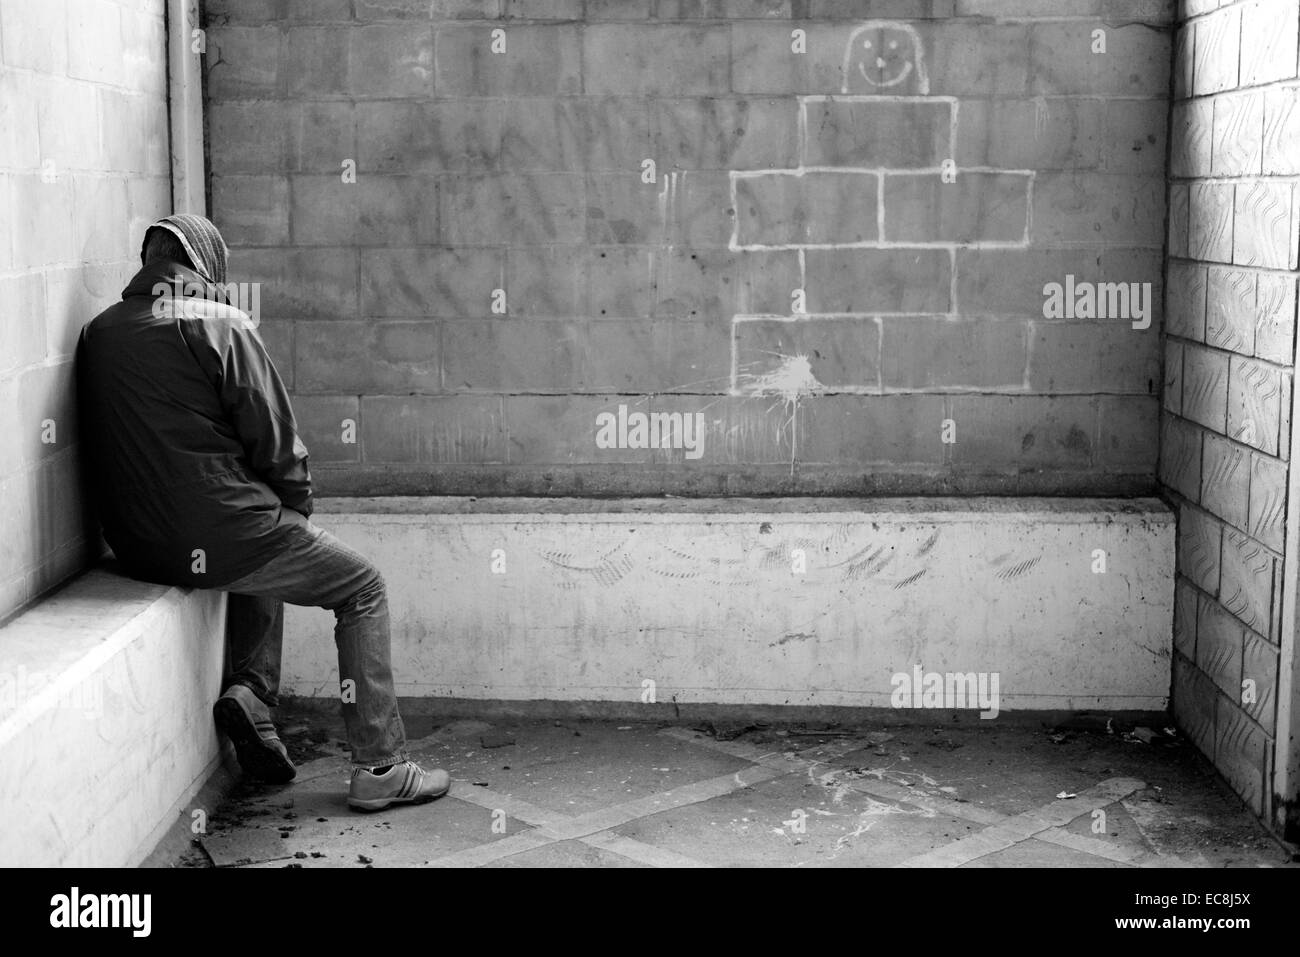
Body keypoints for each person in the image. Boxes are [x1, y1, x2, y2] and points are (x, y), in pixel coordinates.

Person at [76, 214, 448, 812]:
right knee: (360, 586)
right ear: (208, 266)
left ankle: (253, 695)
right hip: (224, 531)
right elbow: (275, 441)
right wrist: (296, 507)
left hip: (139, 547)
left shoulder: (100, 332)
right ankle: (380, 764)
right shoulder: (219, 324)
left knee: (261, 539)